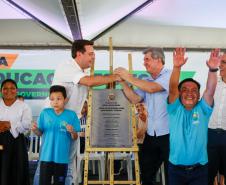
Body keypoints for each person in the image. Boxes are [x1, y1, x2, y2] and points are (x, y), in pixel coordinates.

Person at [33, 39, 121, 185]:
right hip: (52, 121)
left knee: (67, 164)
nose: (93, 57)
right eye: (91, 54)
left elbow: (88, 92)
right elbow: (88, 82)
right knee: (44, 165)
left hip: (71, 121)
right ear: (79, 54)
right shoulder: (67, 66)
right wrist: (114, 76)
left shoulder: (84, 72)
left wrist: (108, 84)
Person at [114, 47, 171, 185]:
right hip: (151, 134)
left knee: (172, 174)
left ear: (159, 59)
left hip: (170, 135)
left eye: (147, 59)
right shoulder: (147, 80)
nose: (144, 63)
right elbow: (135, 98)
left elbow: (152, 88)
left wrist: (128, 76)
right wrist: (122, 82)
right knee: (145, 173)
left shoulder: (170, 75)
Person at [167, 48, 221, 185]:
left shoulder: (203, 109)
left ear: (198, 95)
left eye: (194, 90)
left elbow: (210, 91)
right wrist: (176, 67)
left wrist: (213, 70)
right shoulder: (174, 108)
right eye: (184, 90)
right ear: (179, 95)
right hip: (175, 169)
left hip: (200, 170)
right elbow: (173, 88)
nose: (189, 93)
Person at [32, 85, 81, 185]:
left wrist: (72, 131)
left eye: (59, 98)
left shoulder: (71, 115)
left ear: (65, 100)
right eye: (52, 99)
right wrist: (35, 129)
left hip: (62, 158)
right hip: (46, 157)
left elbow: (75, 138)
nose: (55, 102)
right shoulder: (45, 113)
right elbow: (40, 133)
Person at [0, 79, 32, 185]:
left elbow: (26, 125)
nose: (9, 90)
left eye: (12, 88)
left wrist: (10, 125)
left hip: (16, 142)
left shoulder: (23, 106)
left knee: (17, 171)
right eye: (5, 88)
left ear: (16, 90)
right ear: (1, 91)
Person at [208, 52, 226, 185]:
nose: (221, 65)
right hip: (210, 134)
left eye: (224, 62)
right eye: (221, 62)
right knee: (209, 174)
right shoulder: (213, 83)